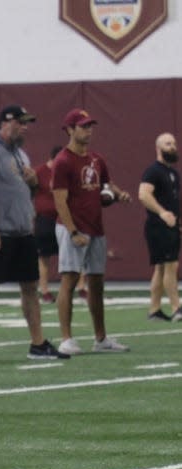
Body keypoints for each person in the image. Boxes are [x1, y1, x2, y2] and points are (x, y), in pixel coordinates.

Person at [0, 105, 67, 364]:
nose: (25, 127)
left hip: (22, 232)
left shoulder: (21, 155)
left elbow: (25, 192)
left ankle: (38, 344)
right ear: (6, 123)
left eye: (27, 123)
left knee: (30, 286)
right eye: (21, 123)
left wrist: (32, 183)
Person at [52, 108, 132, 355]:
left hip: (96, 227)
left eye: (90, 126)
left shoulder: (97, 158)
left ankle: (101, 339)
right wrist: (73, 230)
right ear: (69, 129)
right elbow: (59, 200)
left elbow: (106, 184)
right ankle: (66, 339)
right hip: (72, 228)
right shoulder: (63, 161)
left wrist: (119, 194)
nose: (88, 130)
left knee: (96, 283)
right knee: (69, 279)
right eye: (83, 126)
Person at [138, 132, 181, 322]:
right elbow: (143, 195)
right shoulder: (153, 171)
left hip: (171, 226)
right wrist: (162, 213)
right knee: (171, 265)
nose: (172, 146)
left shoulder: (173, 173)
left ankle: (154, 309)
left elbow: (173, 200)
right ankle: (176, 307)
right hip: (158, 227)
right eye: (167, 144)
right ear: (158, 148)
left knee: (162, 268)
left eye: (173, 143)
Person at [32, 145, 61, 303]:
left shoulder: (64, 173)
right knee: (44, 256)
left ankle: (79, 287)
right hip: (44, 220)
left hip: (62, 219)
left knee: (71, 254)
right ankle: (44, 290)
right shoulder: (40, 172)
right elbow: (31, 191)